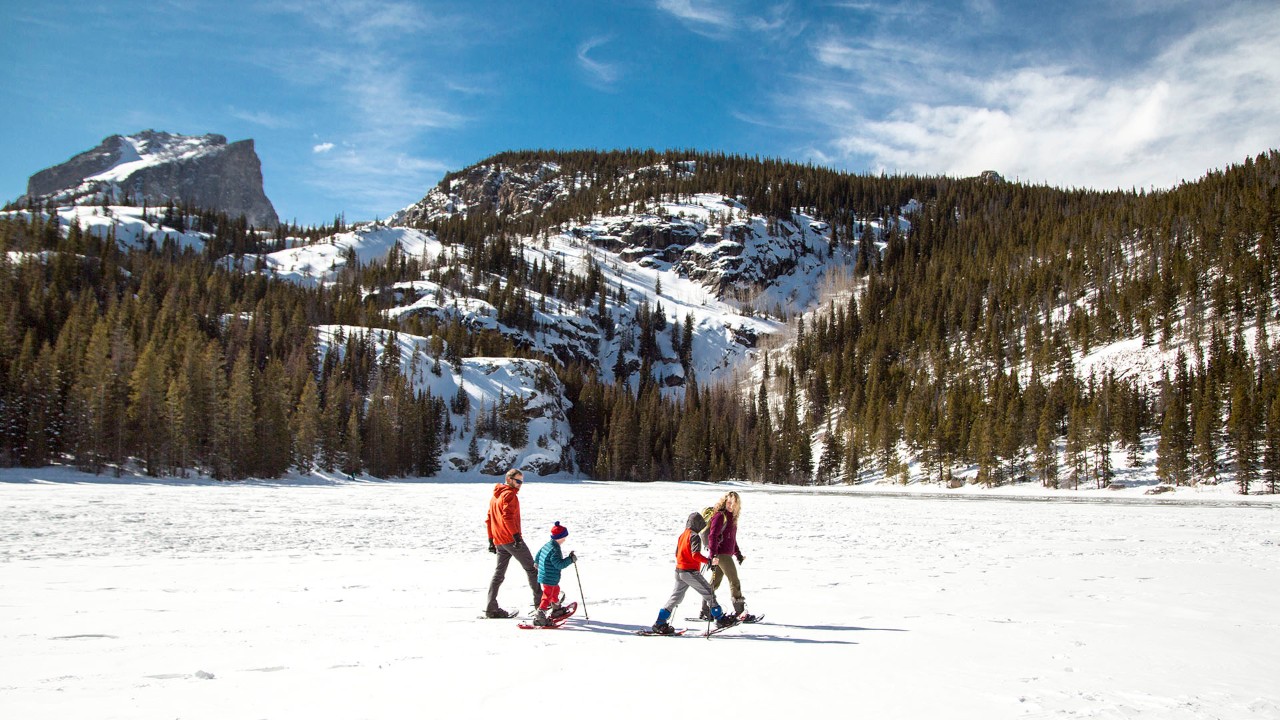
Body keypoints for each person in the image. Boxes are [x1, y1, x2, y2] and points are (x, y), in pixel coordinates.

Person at [649, 511, 739, 635]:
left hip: (679, 571)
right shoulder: (694, 536)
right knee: (709, 593)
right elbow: (695, 555)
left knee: (676, 598)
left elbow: (677, 553)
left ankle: (660, 622)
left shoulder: (682, 535)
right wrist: (708, 561)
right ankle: (719, 619)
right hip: (689, 572)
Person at [484, 468, 540, 618]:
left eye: (522, 481)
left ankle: (491, 608)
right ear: (509, 480)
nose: (520, 484)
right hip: (511, 540)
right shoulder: (510, 495)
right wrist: (516, 537)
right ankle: (541, 606)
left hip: (500, 541)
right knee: (532, 569)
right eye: (518, 481)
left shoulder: (495, 496)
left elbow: (489, 519)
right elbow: (507, 517)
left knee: (498, 574)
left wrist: (491, 540)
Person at [700, 491, 758, 623]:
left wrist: (738, 554)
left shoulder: (732, 517)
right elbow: (712, 536)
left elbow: (732, 540)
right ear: (724, 501)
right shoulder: (720, 516)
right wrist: (712, 555)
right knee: (734, 581)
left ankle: (704, 610)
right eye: (729, 502)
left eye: (734, 503)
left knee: (715, 583)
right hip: (721, 554)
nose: (731, 505)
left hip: (725, 554)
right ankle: (740, 612)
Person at [533, 521, 577, 626]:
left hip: (546, 575)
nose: (565, 539)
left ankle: (556, 609)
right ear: (559, 537)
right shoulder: (555, 549)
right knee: (547, 595)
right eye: (564, 537)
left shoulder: (548, 545)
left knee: (555, 590)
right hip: (549, 576)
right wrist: (570, 560)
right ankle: (540, 615)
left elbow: (539, 554)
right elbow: (559, 565)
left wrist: (537, 562)